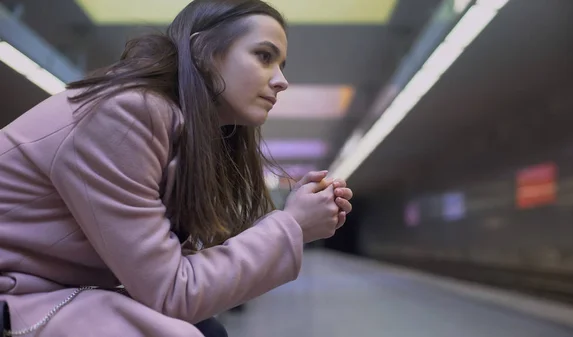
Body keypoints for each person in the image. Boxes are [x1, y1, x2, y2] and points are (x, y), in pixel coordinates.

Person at [0, 0, 354, 336]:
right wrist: (292, 225)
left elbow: (172, 277)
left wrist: (287, 220)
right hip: (16, 295)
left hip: (38, 290)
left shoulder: (184, 134)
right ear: (203, 53)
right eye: (264, 56)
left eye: (281, 66)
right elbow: (172, 293)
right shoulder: (128, 115)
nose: (281, 80)